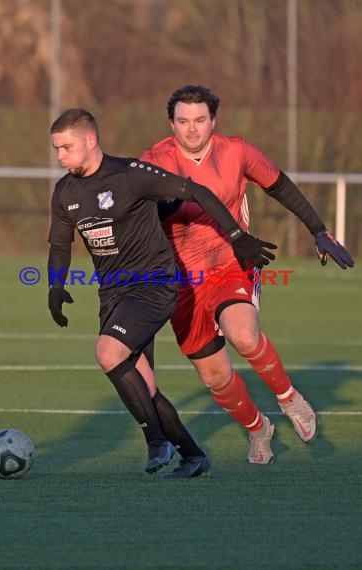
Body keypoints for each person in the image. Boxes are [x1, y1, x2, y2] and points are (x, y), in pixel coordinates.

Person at [47, 107, 278, 477]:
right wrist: (55, 286)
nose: (60, 156)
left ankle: (157, 441)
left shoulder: (130, 174)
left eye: (66, 147)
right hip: (114, 295)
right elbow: (60, 246)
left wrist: (237, 237)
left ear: (90, 140)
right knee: (144, 386)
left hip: (154, 284)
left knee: (108, 352)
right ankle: (192, 455)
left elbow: (197, 191)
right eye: (57, 149)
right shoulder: (65, 192)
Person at [141, 84, 354, 465]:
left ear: (213, 121)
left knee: (242, 332)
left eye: (200, 120)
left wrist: (318, 230)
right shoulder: (155, 160)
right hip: (183, 281)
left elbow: (280, 186)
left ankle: (289, 398)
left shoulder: (236, 150)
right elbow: (137, 212)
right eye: (183, 121)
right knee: (216, 378)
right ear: (171, 123)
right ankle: (259, 429)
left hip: (232, 262)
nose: (192, 129)